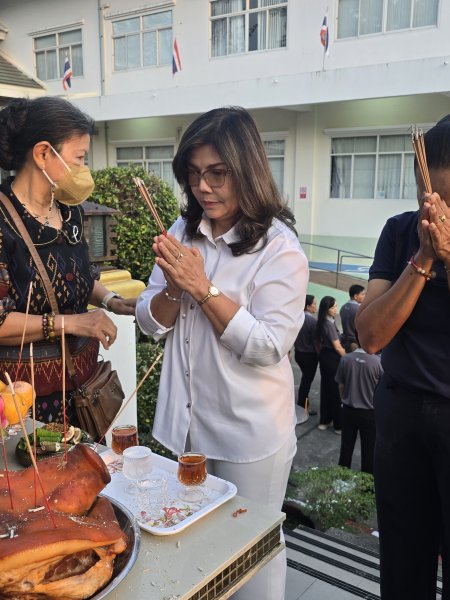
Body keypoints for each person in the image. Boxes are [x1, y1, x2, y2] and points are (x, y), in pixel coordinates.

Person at [136, 106, 308, 600]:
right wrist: (173, 290)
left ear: (247, 170)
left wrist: (203, 288)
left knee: (253, 555)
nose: (202, 188)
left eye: (217, 173)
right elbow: (150, 322)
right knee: (198, 548)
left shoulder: (279, 248)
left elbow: (269, 346)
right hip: (189, 425)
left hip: (248, 431)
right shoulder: (182, 230)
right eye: (193, 174)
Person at [355, 115, 450, 600]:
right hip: (401, 411)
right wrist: (425, 259)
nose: (436, 211)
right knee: (403, 562)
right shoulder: (399, 232)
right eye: (428, 197)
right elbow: (370, 336)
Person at [0, 96, 135, 427]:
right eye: (79, 158)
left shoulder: (69, 211)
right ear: (43, 154)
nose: (84, 170)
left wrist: (112, 300)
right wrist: (73, 323)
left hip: (82, 390)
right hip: (24, 403)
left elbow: (81, 277)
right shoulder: (3, 221)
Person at [335, 343, 382, 474]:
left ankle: (342, 479)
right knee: (369, 449)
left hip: (348, 410)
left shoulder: (346, 359)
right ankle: (366, 482)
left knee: (346, 447)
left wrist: (343, 401)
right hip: (369, 413)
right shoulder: (378, 363)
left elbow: (340, 385)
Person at [314, 296, 345, 434]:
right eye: (333, 307)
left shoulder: (323, 321)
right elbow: (337, 347)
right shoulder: (329, 324)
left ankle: (325, 420)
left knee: (326, 389)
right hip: (332, 358)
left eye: (336, 306)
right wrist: (348, 358)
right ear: (326, 309)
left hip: (325, 358)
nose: (335, 309)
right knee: (336, 391)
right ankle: (338, 425)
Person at [294, 294, 318, 417]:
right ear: (308, 306)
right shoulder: (312, 321)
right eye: (314, 304)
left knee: (305, 380)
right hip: (309, 356)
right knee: (306, 382)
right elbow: (316, 341)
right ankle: (303, 407)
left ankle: (302, 405)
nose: (316, 307)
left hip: (298, 354)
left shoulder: (297, 318)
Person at [339, 284, 365, 352]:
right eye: (362, 294)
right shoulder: (359, 309)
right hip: (355, 343)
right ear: (355, 296)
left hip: (344, 341)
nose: (364, 296)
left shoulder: (343, 307)